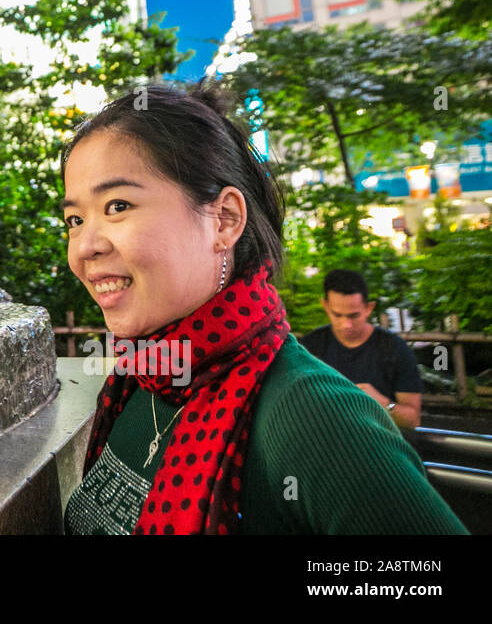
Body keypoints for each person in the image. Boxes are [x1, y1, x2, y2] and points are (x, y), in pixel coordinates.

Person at [60, 84, 464, 535]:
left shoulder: (314, 417)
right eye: (75, 219)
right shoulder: (141, 377)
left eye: (117, 206)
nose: (84, 248)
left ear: (226, 219)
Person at [301, 269, 423, 430]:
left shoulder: (394, 349)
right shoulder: (309, 348)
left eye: (353, 316)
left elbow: (412, 419)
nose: (346, 324)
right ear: (325, 306)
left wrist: (383, 404)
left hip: (379, 446)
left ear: (369, 308)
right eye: (337, 315)